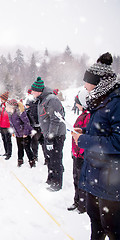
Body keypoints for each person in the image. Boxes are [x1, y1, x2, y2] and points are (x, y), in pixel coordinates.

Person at [71, 52, 120, 239]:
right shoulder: (99, 101)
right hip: (96, 174)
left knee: (112, 228)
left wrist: (84, 141)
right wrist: (85, 133)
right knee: (96, 222)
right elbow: (103, 132)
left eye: (87, 82)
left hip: (111, 179)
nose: (84, 86)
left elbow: (117, 141)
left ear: (98, 83)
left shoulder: (116, 103)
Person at [31, 77, 66, 191]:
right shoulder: (41, 99)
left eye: (33, 91)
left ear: (39, 90)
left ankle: (57, 183)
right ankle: (51, 178)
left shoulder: (51, 99)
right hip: (47, 134)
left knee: (55, 158)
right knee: (49, 158)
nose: (32, 93)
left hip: (56, 135)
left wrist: (51, 137)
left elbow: (55, 119)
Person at [68, 91, 90, 214]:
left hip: (82, 155)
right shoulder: (82, 116)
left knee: (82, 182)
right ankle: (77, 201)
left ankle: (83, 205)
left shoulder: (89, 117)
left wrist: (80, 152)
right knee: (76, 179)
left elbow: (85, 137)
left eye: (78, 103)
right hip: (77, 154)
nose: (76, 106)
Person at [7, 99, 36, 167]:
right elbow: (12, 123)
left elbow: (27, 122)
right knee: (19, 148)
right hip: (18, 133)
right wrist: (13, 131)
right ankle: (20, 161)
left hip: (24, 133)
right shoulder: (10, 113)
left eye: (7, 106)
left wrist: (25, 133)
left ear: (12, 106)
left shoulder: (20, 112)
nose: (6, 108)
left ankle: (32, 162)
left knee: (27, 148)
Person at [25, 89, 46, 164]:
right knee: (42, 142)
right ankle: (45, 157)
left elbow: (29, 113)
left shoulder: (32, 101)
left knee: (35, 142)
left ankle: (36, 156)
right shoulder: (40, 100)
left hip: (37, 125)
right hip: (40, 125)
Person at [0, 91, 12, 160]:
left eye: (2, 98)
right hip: (2, 124)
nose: (1, 100)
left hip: (7, 125)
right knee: (4, 139)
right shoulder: (2, 105)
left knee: (8, 140)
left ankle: (9, 153)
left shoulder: (8, 105)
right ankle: (6, 151)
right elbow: (1, 114)